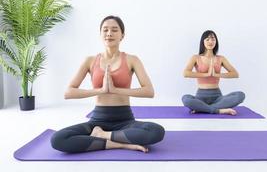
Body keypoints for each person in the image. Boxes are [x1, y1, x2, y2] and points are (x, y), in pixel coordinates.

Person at [51, 15, 165, 153]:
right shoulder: (90, 60)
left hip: (126, 121)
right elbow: (68, 93)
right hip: (97, 121)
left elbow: (149, 91)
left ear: (122, 35)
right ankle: (121, 144)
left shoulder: (132, 60)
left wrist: (115, 89)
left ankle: (104, 136)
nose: (109, 33)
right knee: (58, 139)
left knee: (156, 131)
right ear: (100, 34)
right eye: (105, 30)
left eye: (114, 30)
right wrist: (102, 90)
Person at [182, 30, 245, 115]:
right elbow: (186, 73)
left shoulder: (221, 58)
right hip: (200, 97)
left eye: (213, 39)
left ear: (216, 41)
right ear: (203, 42)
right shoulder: (196, 57)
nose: (210, 41)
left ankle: (202, 109)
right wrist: (206, 74)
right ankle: (218, 110)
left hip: (217, 97)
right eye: (207, 39)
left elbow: (235, 74)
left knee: (240, 95)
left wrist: (216, 74)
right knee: (186, 99)